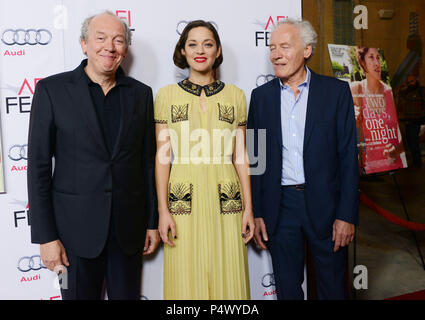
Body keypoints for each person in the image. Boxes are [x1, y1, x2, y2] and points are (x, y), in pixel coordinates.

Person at [27, 11, 159, 300]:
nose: (109, 47)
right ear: (84, 44)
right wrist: (46, 236)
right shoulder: (51, 90)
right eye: (100, 38)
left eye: (118, 40)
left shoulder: (141, 94)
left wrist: (152, 222)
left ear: (125, 49)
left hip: (127, 233)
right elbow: (37, 167)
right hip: (72, 236)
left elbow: (147, 164)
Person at [248, 19, 359, 300]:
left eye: (285, 47)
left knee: (333, 287)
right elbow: (256, 159)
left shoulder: (336, 92)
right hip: (280, 207)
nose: (275, 54)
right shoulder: (260, 98)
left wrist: (346, 214)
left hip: (327, 206)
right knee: (287, 289)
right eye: (272, 48)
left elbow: (348, 157)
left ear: (307, 50)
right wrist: (259, 211)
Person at [154, 20, 255, 299]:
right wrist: (163, 210)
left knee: (229, 269)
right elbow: (162, 158)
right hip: (182, 193)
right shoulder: (165, 96)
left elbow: (241, 155)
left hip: (227, 193)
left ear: (217, 50)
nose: (200, 50)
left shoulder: (236, 96)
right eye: (192, 44)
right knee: (185, 271)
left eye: (208, 44)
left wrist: (249, 208)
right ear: (183, 51)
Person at [350, 47, 406, 172]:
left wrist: (396, 150)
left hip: (393, 166)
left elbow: (400, 132)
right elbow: (340, 127)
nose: (377, 63)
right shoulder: (355, 89)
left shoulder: (389, 92)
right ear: (363, 63)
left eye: (378, 58)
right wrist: (351, 116)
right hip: (368, 168)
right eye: (371, 57)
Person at [397, 74, 425, 168]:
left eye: (412, 81)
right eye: (408, 82)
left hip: (418, 121)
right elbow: (398, 95)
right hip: (408, 121)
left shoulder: (421, 91)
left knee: (414, 143)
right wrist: (401, 87)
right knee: (410, 143)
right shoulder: (406, 91)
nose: (410, 83)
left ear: (416, 80)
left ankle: (417, 163)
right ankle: (416, 162)